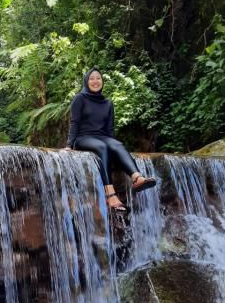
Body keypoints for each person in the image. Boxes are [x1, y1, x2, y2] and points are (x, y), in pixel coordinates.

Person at [63, 67, 156, 212]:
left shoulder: (108, 103)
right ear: (87, 81)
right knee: (102, 147)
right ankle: (110, 194)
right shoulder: (80, 98)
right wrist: (69, 145)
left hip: (103, 137)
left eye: (98, 78)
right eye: (92, 78)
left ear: (102, 81)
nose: (95, 81)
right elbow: (74, 123)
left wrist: (114, 149)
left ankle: (137, 178)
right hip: (83, 138)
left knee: (117, 144)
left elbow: (110, 130)